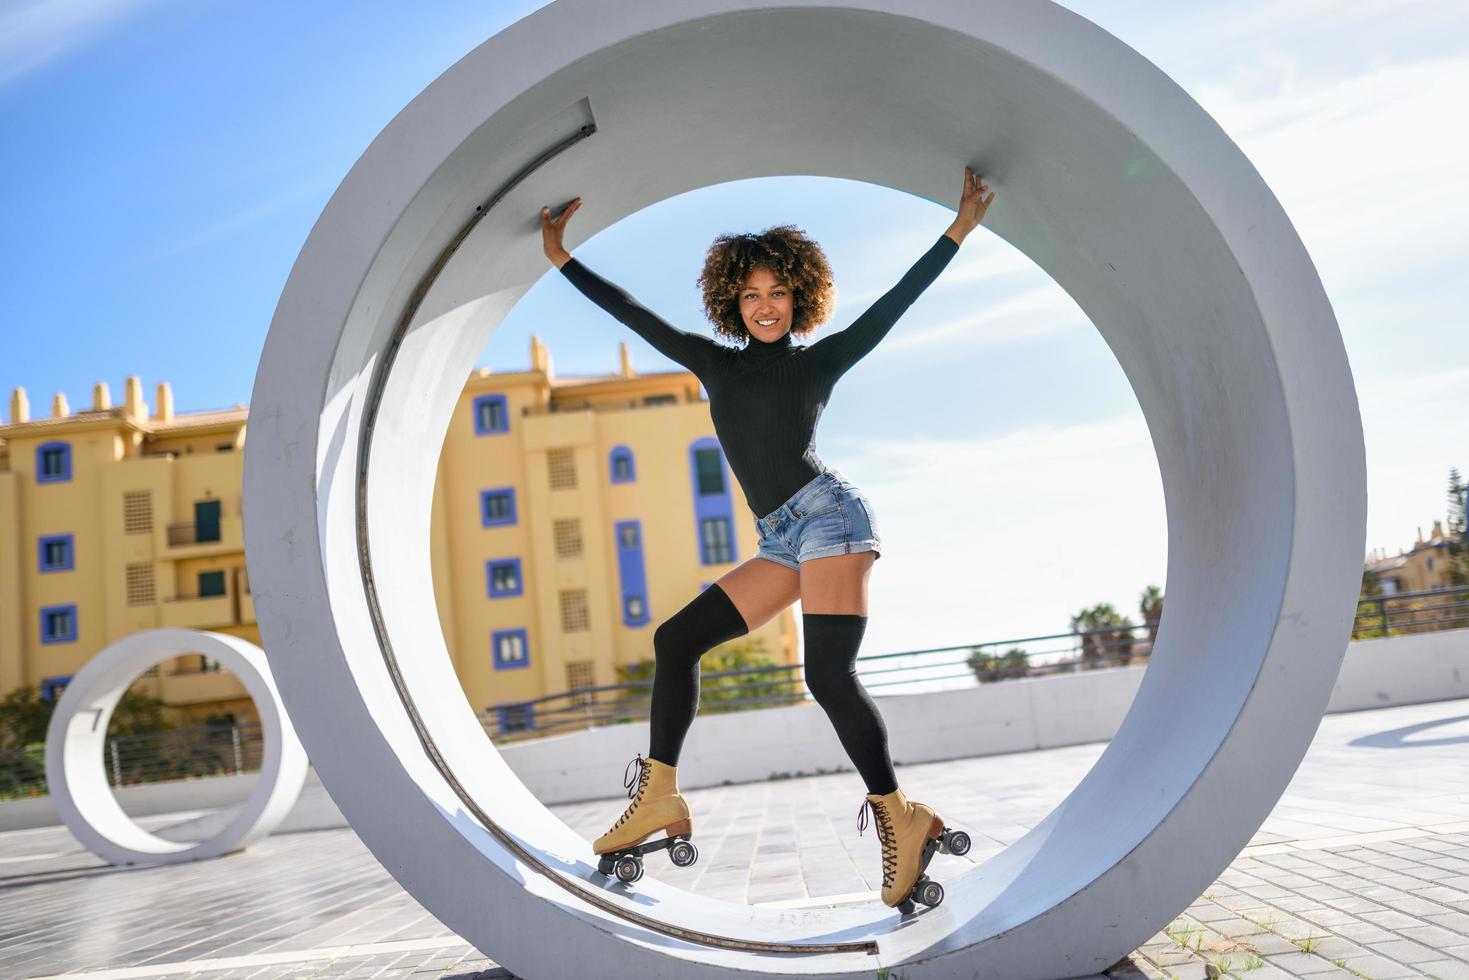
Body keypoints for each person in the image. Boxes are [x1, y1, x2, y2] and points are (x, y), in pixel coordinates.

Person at [539, 166, 995, 908]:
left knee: (825, 676)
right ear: (731, 301)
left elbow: (893, 306)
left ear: (798, 295)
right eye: (750, 295)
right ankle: (658, 796)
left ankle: (898, 817)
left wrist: (957, 230)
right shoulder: (712, 363)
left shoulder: (819, 361)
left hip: (831, 519)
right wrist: (560, 258)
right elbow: (629, 312)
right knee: (676, 639)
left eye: (777, 292)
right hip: (781, 538)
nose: (764, 307)